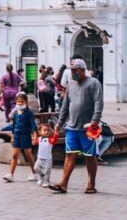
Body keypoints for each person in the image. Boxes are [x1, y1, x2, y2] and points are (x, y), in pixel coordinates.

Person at [48, 58, 103, 195]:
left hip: (87, 128)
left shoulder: (94, 83)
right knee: (69, 155)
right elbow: (65, 106)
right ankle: (63, 184)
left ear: (83, 70)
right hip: (71, 127)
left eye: (75, 70)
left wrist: (95, 121)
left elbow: (98, 103)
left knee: (90, 156)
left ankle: (91, 184)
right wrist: (59, 123)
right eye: (71, 70)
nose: (72, 73)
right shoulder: (71, 85)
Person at [1, 93, 37, 182]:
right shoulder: (16, 113)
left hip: (26, 136)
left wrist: (34, 135)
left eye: (22, 102)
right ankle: (11, 174)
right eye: (18, 102)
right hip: (17, 135)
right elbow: (13, 125)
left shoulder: (29, 113)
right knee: (14, 155)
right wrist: (12, 136)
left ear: (26, 102)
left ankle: (35, 172)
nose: (20, 103)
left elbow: (33, 125)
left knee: (28, 155)